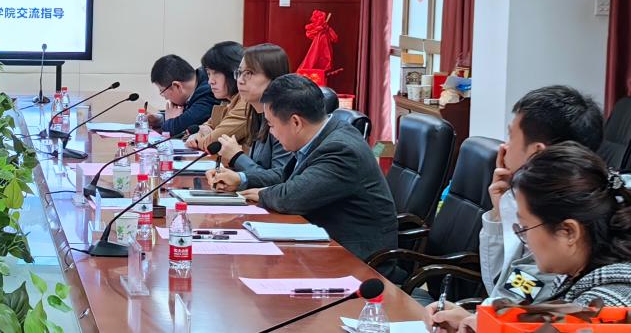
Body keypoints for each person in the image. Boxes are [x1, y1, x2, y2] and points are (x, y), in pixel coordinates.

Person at [426, 143, 631, 333]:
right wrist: (473, 321)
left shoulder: (606, 307)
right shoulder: (576, 277)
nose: (525, 239)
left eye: (525, 228)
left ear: (569, 232)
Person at [235, 73, 397, 261]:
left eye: (271, 125)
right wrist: (242, 179)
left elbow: (292, 197)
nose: (271, 133)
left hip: (357, 260)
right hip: (323, 248)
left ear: (296, 122)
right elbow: (289, 176)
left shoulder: (341, 150)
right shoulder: (324, 134)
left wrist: (263, 194)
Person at [478, 86, 604, 302]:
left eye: (511, 136)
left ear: (537, 153)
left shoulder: (556, 220)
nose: (504, 147)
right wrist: (501, 213)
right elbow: (501, 289)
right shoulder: (540, 200)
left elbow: (509, 301)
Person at [206, 43, 293, 188]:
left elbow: (282, 177)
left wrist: (237, 157)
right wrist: (229, 176)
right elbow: (259, 169)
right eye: (239, 73)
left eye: (249, 73)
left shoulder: (285, 118)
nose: (240, 80)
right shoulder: (255, 113)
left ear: (274, 78)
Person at [184, 41, 249, 150]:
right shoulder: (227, 100)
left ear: (233, 72)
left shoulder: (245, 104)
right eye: (209, 74)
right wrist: (203, 130)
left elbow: (211, 143)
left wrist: (198, 138)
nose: (210, 81)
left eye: (216, 73)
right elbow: (209, 125)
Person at [147, 54, 216, 136]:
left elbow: (177, 128)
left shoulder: (209, 93)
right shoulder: (199, 80)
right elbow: (184, 114)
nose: (165, 97)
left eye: (162, 91)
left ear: (177, 86)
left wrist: (171, 121)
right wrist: (159, 119)